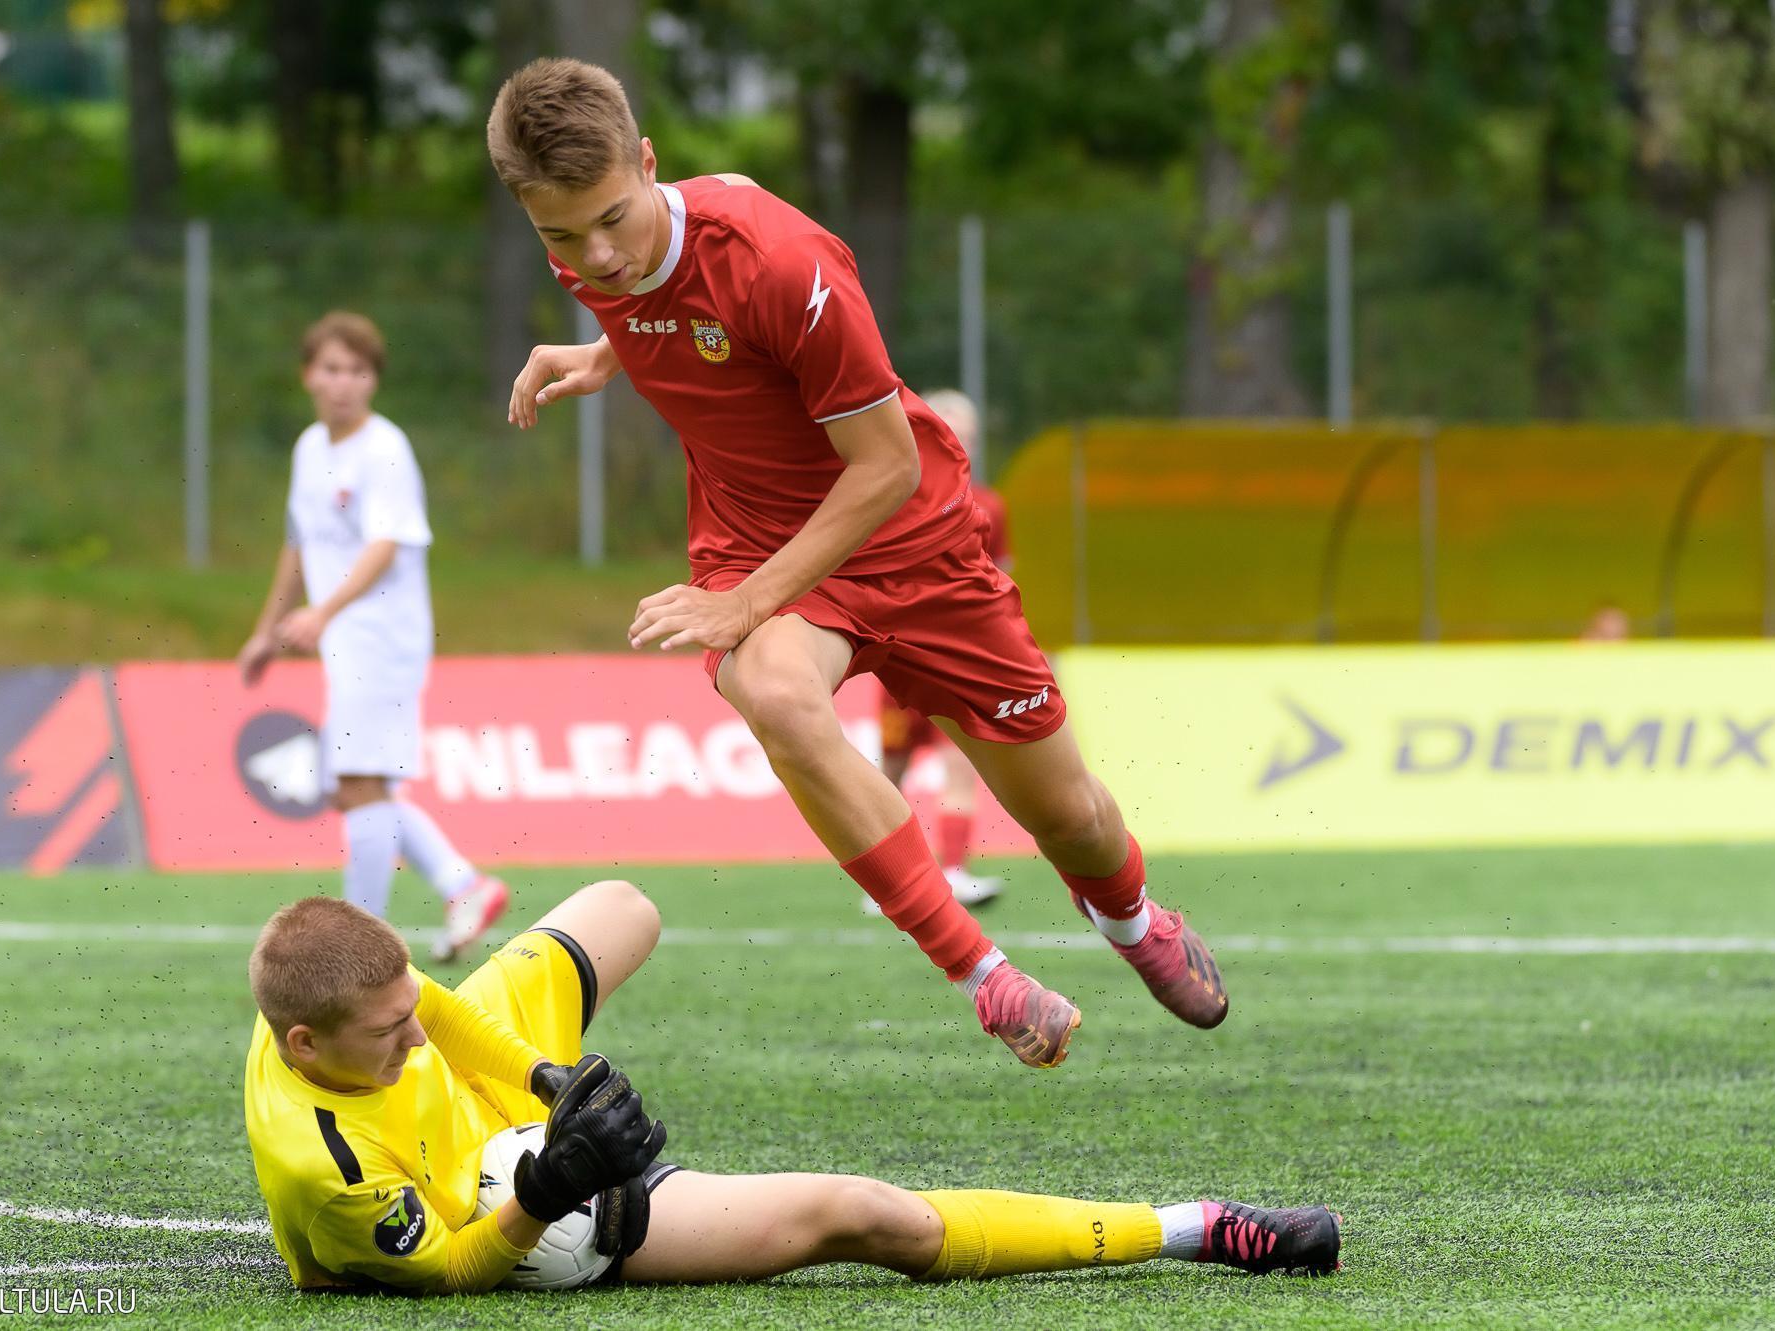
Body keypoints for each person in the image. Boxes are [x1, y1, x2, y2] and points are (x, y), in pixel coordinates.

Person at [487, 57, 1227, 1071]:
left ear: (648, 163)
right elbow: (660, 297)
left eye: (612, 219)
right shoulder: (586, 248)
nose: (596, 255)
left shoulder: (786, 262)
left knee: (1069, 816)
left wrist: (742, 603)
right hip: (756, 538)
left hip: (911, 539)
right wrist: (604, 353)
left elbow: (884, 468)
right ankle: (984, 975)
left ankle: (1133, 920)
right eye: (562, 236)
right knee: (776, 696)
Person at [242, 885, 1342, 1295]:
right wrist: (546, 1186)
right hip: (503, 1209)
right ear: (306, 1044)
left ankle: (536, 1109)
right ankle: (1195, 1226)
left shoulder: (346, 990)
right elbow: (449, 1276)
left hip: (501, 1113)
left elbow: (435, 1016)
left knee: (623, 907)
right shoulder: (325, 1165)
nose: (410, 1034)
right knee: (871, 1216)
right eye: (385, 1034)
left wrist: (545, 1075)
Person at [237, 311, 504, 964]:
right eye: (332, 369)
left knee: (358, 781)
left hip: (382, 638)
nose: (344, 383)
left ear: (374, 381)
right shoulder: (310, 448)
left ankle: (360, 947)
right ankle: (462, 884)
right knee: (353, 786)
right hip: (346, 640)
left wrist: (323, 611)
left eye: (358, 371)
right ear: (308, 375)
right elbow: (298, 545)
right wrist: (266, 630)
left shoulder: (384, 449)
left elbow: (385, 546)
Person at [867, 390, 1008, 913]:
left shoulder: (991, 505)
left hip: (959, 661)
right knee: (891, 771)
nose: (959, 440)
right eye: (950, 430)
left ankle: (954, 872)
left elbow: (1000, 580)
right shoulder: (890, 497)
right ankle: (887, 882)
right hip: (900, 659)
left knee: (960, 762)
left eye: (967, 433)